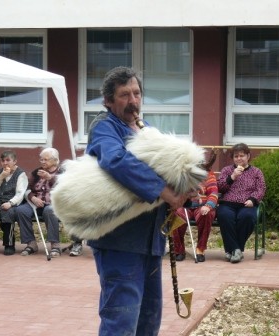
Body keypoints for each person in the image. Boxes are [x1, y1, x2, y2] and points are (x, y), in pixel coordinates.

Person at [85, 66, 189, 335]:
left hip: (150, 241)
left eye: (137, 93)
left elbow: (165, 167)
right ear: (108, 101)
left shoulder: (147, 129)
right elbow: (115, 160)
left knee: (148, 319)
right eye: (124, 95)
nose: (133, 101)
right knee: (121, 321)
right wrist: (163, 191)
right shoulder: (104, 127)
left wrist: (185, 186)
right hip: (119, 241)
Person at [216, 143, 266, 263]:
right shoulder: (227, 170)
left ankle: (232, 250)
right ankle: (236, 250)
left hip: (246, 204)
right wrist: (232, 177)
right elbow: (220, 187)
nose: (239, 158)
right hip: (228, 203)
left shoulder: (256, 172)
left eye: (241, 156)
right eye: (236, 156)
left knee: (247, 217)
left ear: (248, 156)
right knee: (224, 215)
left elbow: (261, 188)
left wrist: (253, 200)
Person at [173, 150, 218, 262]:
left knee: (207, 214)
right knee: (176, 214)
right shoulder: (183, 174)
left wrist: (208, 206)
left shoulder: (209, 175)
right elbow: (176, 192)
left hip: (201, 206)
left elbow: (214, 193)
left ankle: (200, 249)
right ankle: (179, 250)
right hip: (185, 206)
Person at [16, 148, 62, 257]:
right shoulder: (36, 172)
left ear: (55, 160)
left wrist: (50, 178)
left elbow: (66, 187)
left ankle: (55, 245)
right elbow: (26, 189)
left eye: (46, 160)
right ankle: (31, 244)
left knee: (49, 211)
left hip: (53, 203)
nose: (42, 162)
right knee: (21, 210)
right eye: (41, 160)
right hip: (35, 203)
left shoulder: (62, 172)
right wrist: (33, 198)